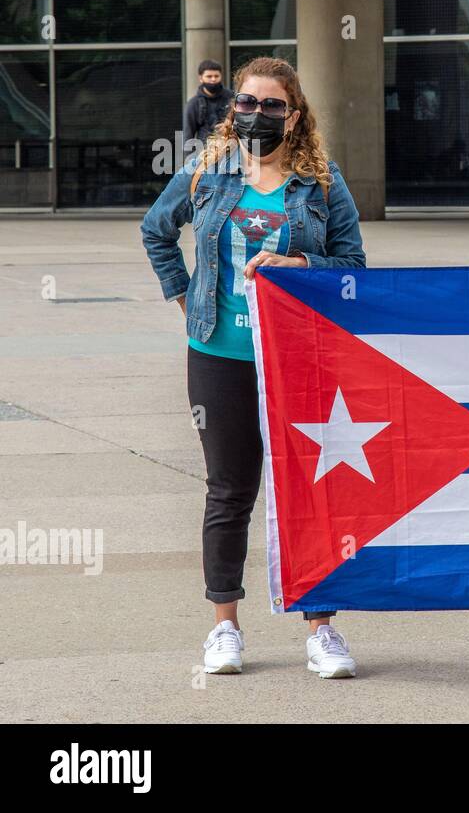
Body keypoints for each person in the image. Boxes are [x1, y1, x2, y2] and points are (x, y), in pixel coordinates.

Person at [141, 57, 367, 678]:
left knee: (313, 490)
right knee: (230, 490)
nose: (256, 115)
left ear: (294, 115)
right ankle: (225, 629)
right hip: (220, 356)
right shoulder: (207, 173)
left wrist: (305, 269)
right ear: (231, 108)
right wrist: (184, 295)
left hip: (299, 356)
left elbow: (354, 264)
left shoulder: (321, 183)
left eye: (271, 105)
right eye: (246, 103)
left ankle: (322, 630)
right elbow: (156, 230)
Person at [183, 59, 234, 147]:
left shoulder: (232, 98)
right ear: (201, 78)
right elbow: (188, 136)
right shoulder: (193, 104)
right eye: (209, 76)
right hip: (204, 153)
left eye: (216, 76)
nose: (213, 79)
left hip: (231, 149)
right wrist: (189, 159)